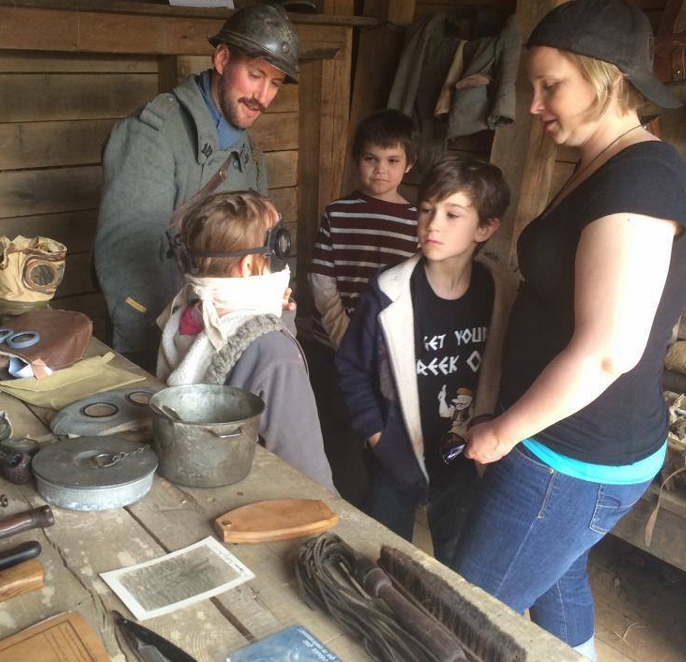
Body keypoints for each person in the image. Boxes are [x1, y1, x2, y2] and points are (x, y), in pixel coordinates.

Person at [449, 0, 686, 660]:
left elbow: (606, 352)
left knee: (464, 612)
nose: (533, 105)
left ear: (609, 79)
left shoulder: (643, 184)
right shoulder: (601, 164)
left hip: (573, 455)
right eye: (530, 87)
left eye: (550, 86)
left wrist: (502, 432)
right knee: (558, 576)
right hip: (567, 442)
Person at [94, 5, 299, 371]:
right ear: (222, 59)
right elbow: (124, 260)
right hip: (156, 345)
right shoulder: (152, 135)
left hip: (227, 342)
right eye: (255, 75)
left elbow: (257, 250)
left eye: (275, 83)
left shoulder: (251, 155)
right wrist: (165, 342)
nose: (263, 96)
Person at [335, 155, 516, 563]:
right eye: (426, 211)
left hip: (464, 458)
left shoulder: (499, 292)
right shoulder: (388, 292)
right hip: (394, 451)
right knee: (384, 556)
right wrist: (379, 436)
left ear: (485, 227)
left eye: (453, 215)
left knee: (462, 563)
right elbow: (351, 369)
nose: (433, 225)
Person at [156, 190, 335, 490]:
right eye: (276, 242)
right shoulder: (274, 354)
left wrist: (277, 318)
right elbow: (306, 473)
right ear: (249, 266)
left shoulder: (185, 314)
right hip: (258, 497)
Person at [304, 108, 420, 504]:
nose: (380, 171)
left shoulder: (419, 222)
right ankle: (339, 506)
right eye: (371, 159)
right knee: (338, 438)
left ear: (409, 165)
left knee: (382, 442)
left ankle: (375, 511)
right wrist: (347, 340)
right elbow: (322, 281)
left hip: (392, 356)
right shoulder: (337, 214)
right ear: (357, 160)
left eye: (392, 161)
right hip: (334, 348)